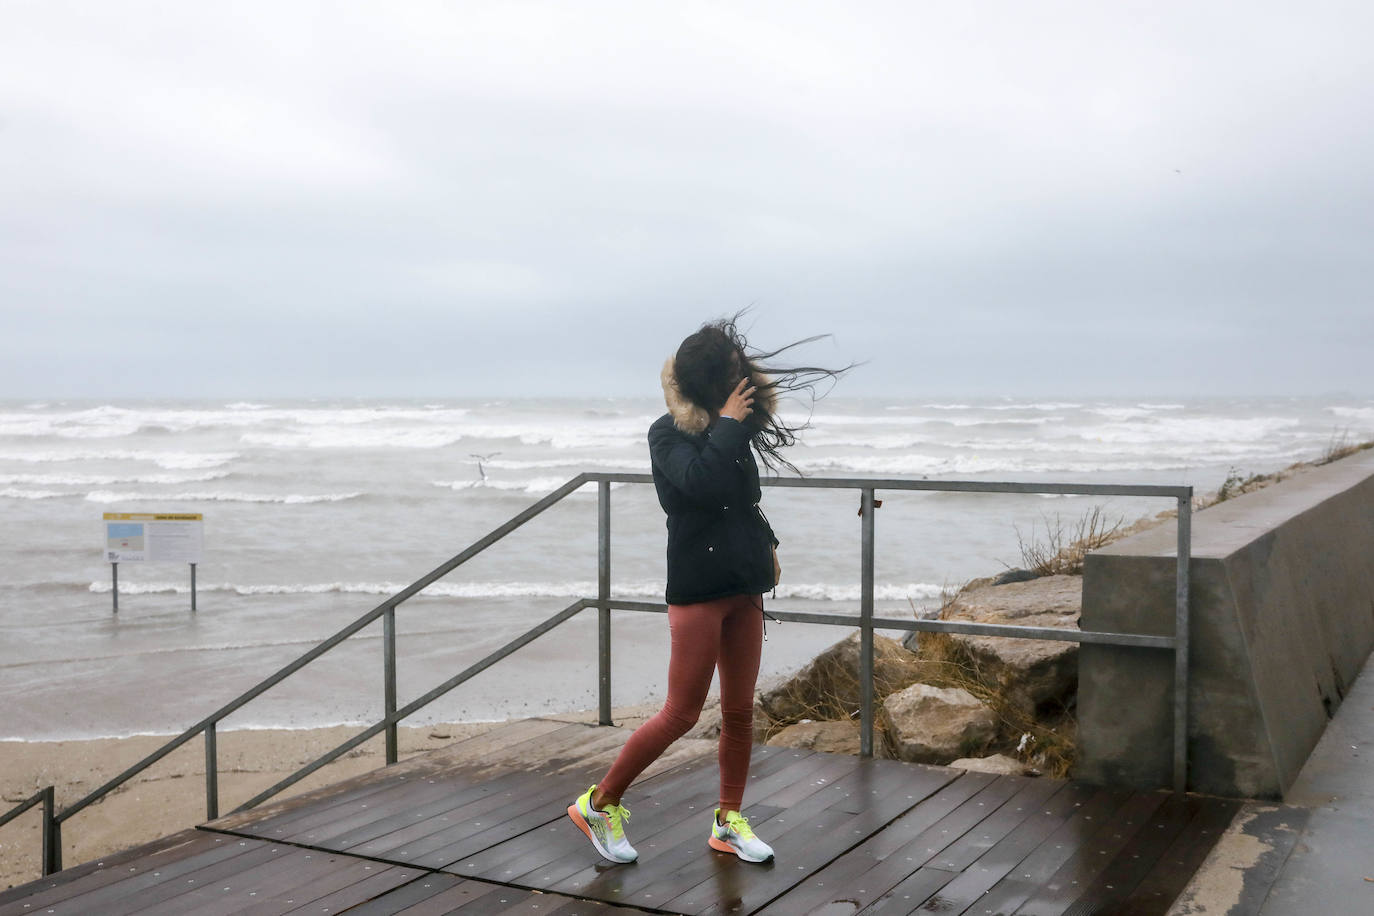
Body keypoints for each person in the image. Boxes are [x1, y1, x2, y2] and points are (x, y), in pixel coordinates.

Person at [567, 314, 848, 865]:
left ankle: (728, 820)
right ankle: (599, 802)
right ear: (707, 387)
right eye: (730, 375)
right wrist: (727, 425)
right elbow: (697, 486)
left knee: (741, 712)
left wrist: (764, 545)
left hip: (744, 585)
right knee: (681, 713)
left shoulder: (733, 428)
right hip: (697, 589)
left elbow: (741, 498)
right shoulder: (666, 434)